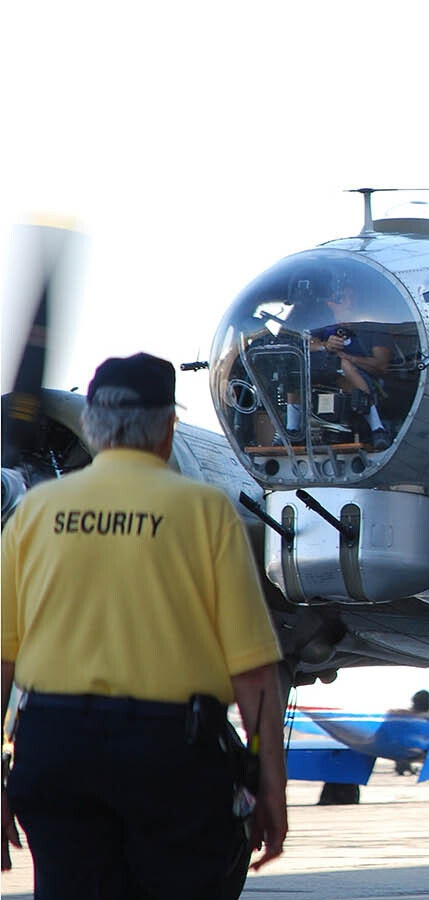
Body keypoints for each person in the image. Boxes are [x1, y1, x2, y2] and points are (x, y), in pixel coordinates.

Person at [1, 352, 288, 896]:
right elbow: (253, 672)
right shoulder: (205, 511)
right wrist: (271, 785)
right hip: (171, 758)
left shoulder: (33, 513)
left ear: (90, 425)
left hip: (54, 751)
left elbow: (2, 660)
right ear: (168, 428)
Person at [284, 271, 394, 450]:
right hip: (325, 376)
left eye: (352, 297)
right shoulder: (323, 328)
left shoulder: (373, 328)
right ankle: (292, 429)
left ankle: (377, 428)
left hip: (364, 381)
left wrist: (347, 357)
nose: (350, 302)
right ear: (331, 304)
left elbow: (382, 365)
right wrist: (325, 346)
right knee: (295, 369)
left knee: (343, 365)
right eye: (343, 298)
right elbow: (304, 344)